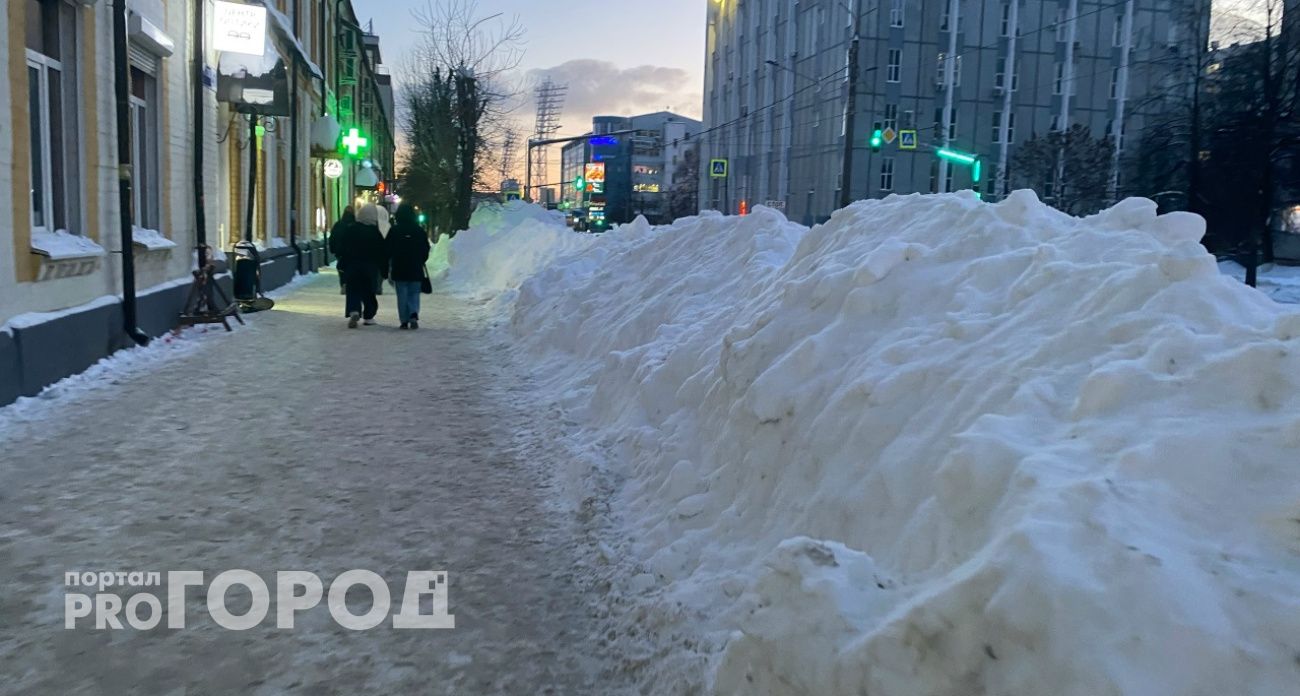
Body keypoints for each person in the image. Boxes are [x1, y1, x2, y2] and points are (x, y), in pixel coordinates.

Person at [335, 203, 387, 328]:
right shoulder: (377, 233)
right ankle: (369, 316)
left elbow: (343, 248)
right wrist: (384, 269)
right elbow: (382, 253)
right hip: (370, 268)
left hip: (353, 266)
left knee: (353, 289)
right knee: (369, 291)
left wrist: (343, 262)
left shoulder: (351, 229)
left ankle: (354, 310)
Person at [386, 203, 431, 330]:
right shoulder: (419, 230)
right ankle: (413, 312)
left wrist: (388, 263)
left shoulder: (394, 230)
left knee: (402, 294)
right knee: (414, 293)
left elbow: (387, 248)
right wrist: (421, 259)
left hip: (399, 267)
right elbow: (425, 248)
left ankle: (404, 320)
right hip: (415, 267)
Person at [328, 207, 355, 294]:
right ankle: (350, 283)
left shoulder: (338, 224)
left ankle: (343, 283)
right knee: (351, 268)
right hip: (352, 252)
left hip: (340, 252)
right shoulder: (355, 225)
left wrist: (333, 249)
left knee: (341, 267)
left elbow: (332, 238)